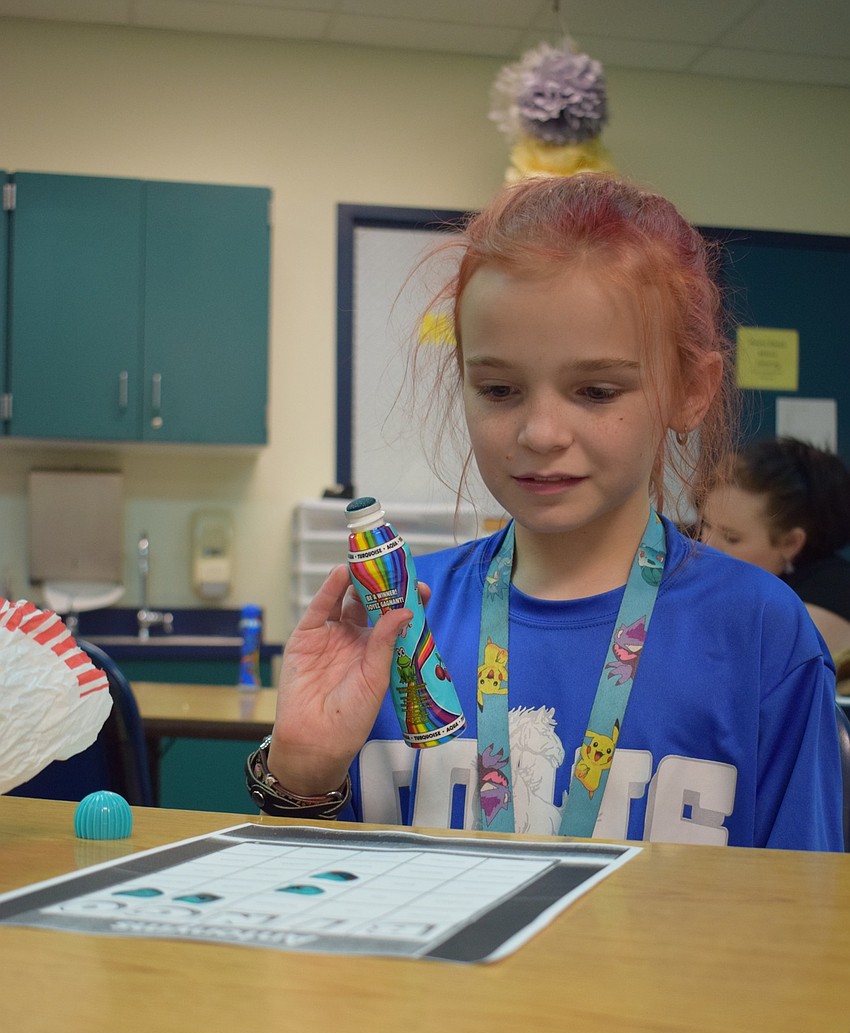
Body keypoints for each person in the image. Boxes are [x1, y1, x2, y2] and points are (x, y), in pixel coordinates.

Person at [248, 173, 843, 852]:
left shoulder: (760, 633)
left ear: (690, 390)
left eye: (594, 389)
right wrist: (300, 772)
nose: (539, 432)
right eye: (499, 389)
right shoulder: (399, 622)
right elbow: (309, 911)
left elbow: (806, 928)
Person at [699, 436, 850, 657]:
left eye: (731, 538)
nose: (706, 546)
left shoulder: (833, 591)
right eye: (705, 525)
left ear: (790, 543)